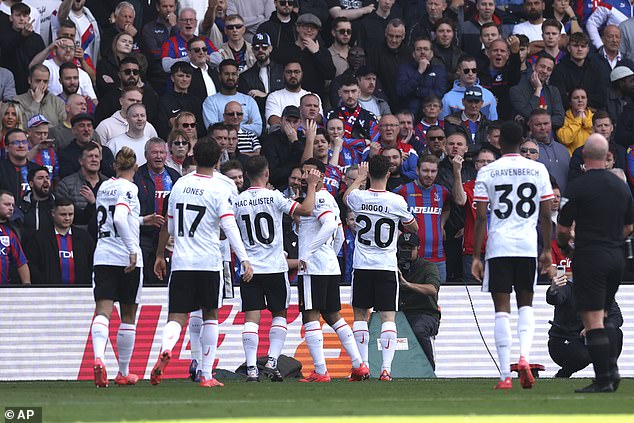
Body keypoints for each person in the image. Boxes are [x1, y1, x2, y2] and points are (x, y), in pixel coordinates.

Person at [149, 139, 254, 388]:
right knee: (210, 316)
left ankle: (166, 349)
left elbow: (170, 225)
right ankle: (206, 374)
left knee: (177, 315)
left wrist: (160, 254)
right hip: (208, 262)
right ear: (219, 160)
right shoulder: (219, 188)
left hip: (182, 261)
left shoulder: (180, 185)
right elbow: (229, 226)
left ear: (194, 157)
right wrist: (245, 259)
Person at [472, 121, 555, 390]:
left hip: (499, 247)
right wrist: (545, 249)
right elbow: (545, 214)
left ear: (499, 142)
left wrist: (476, 256)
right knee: (526, 304)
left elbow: (481, 217)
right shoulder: (538, 169)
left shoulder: (488, 171)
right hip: (527, 245)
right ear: (522, 140)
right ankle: (524, 357)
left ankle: (505, 376)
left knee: (501, 311)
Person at [556, 133, 633, 393]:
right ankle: (610, 371)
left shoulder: (578, 186)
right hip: (616, 257)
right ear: (607, 157)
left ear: (585, 156)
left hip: (590, 256)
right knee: (604, 313)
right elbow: (630, 225)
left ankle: (605, 379)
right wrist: (613, 240)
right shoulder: (621, 186)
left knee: (592, 320)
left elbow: (563, 229)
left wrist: (567, 246)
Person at [234, 156, 319, 382]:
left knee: (251, 318)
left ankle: (252, 367)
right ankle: (272, 362)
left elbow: (226, 232)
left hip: (250, 268)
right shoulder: (274, 197)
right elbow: (307, 209)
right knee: (279, 313)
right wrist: (311, 185)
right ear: (267, 174)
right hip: (274, 267)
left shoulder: (238, 200)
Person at [295, 157, 370, 383]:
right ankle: (359, 365)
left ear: (319, 175)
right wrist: (331, 255)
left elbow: (329, 226)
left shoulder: (317, 198)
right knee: (333, 316)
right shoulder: (328, 198)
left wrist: (308, 253)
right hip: (328, 266)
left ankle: (320, 370)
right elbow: (338, 232)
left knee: (310, 316)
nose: (304, 177)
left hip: (313, 267)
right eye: (303, 172)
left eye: (309, 172)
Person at [90, 147, 143, 387]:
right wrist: (132, 249)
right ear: (136, 167)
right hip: (125, 258)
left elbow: (113, 218)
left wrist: (142, 220)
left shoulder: (103, 187)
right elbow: (120, 219)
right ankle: (122, 371)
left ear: (114, 167)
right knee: (128, 315)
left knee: (103, 311)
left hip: (103, 254)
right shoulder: (129, 188)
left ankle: (99, 359)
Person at [547, 270, 624, 378]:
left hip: (589, 339)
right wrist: (553, 289)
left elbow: (616, 317)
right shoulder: (567, 286)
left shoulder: (602, 290)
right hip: (564, 339)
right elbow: (556, 299)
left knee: (615, 333)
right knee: (584, 355)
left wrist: (594, 327)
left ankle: (607, 375)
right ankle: (564, 373)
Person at [134, 138, 178, 286]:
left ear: (167, 155)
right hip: (144, 236)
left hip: (168, 238)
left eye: (162, 152)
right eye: (154, 153)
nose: (158, 156)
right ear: (146, 155)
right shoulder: (137, 177)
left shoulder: (175, 177)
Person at [396, 232, 441, 370]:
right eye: (403, 248)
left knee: (417, 329)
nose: (406, 251)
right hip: (397, 314)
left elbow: (433, 289)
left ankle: (428, 369)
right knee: (379, 329)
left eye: (410, 248)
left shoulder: (427, 267)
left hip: (425, 313)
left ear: (418, 249)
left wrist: (407, 285)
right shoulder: (391, 265)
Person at [24, 196, 94, 285]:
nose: (67, 218)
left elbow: (92, 264)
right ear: (53, 213)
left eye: (71, 214)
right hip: (49, 293)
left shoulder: (84, 237)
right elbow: (33, 266)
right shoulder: (38, 238)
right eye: (63, 214)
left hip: (80, 293)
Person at [452, 148, 497, 283]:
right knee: (473, 294)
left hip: (498, 249)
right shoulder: (469, 186)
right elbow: (460, 200)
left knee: (498, 292)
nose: (485, 164)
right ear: (476, 165)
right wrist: (457, 172)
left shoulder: (504, 188)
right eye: (482, 161)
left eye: (489, 161)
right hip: (473, 251)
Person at [202, 59, 262, 135]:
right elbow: (213, 130)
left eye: (233, 74)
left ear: (238, 76)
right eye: (226, 74)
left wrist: (225, 125)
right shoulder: (210, 102)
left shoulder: (249, 100)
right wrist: (246, 125)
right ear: (219, 76)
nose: (230, 77)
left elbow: (258, 129)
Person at [0, 189, 30, 284]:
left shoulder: (10, 233)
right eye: (7, 204)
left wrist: (27, 287)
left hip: (4, 291)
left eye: (13, 205)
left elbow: (21, 263)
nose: (11, 208)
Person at [556, 88, 594, 156]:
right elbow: (565, 139)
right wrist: (578, 120)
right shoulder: (563, 120)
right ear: (570, 102)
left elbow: (600, 134)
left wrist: (585, 120)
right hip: (572, 160)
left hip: (593, 158)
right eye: (576, 98)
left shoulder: (594, 117)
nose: (580, 100)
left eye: (583, 97)